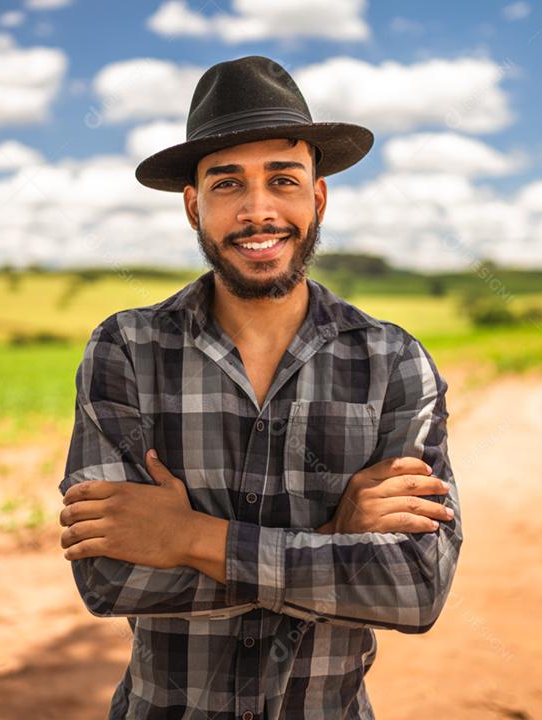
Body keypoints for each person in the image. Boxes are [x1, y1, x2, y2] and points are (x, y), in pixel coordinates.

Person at [58, 55, 462, 720]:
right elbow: (109, 578)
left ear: (318, 196)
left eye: (283, 179)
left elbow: (414, 587)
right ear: (193, 206)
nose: (258, 211)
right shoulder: (126, 350)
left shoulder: (393, 360)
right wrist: (335, 538)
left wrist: (188, 538)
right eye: (227, 185)